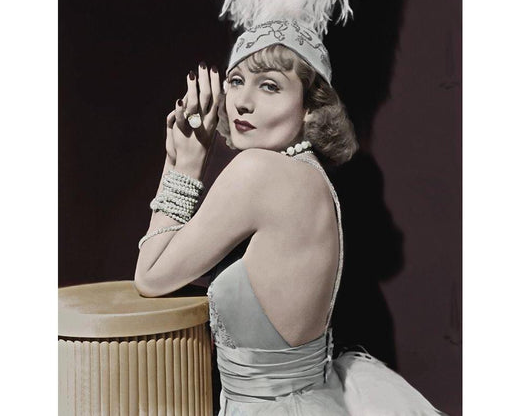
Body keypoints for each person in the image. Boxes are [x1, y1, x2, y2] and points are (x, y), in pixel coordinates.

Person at [134, 22, 444, 415]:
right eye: (236, 80)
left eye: (270, 86)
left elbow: (150, 276)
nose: (243, 102)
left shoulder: (257, 172)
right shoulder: (313, 177)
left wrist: (183, 165)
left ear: (310, 106)